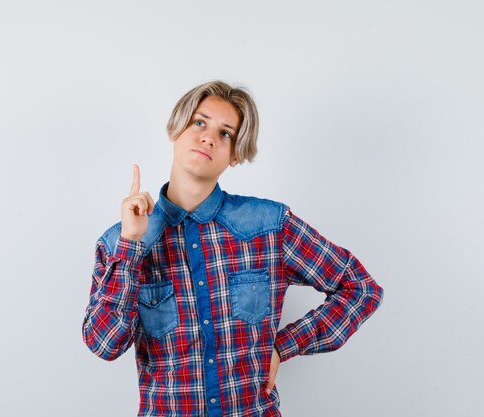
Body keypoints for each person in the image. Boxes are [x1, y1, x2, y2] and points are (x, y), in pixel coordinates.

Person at [82, 80, 384, 417]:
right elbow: (104, 344)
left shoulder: (270, 225)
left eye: (225, 133)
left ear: (236, 154)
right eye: (199, 122)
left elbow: (360, 289)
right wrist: (131, 246)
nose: (209, 137)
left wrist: (284, 347)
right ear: (176, 129)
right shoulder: (118, 242)